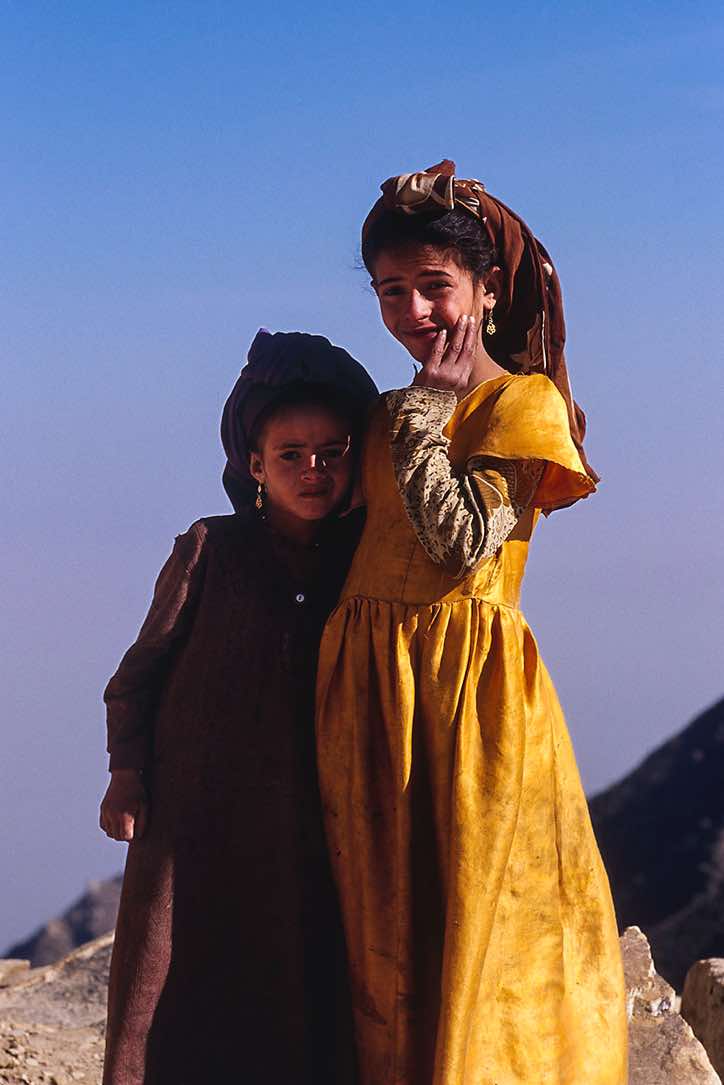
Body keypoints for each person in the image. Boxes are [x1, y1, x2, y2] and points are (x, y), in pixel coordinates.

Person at [315, 161, 628, 1084]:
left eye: (433, 285)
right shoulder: (385, 415)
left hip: (466, 700)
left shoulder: (521, 404)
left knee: (475, 919)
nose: (413, 310)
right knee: (380, 926)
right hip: (368, 693)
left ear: (488, 289)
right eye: (390, 291)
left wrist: (427, 414)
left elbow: (458, 543)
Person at [99, 329, 378, 1085]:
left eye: (331, 453)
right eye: (291, 454)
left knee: (296, 997)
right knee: (177, 991)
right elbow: (137, 675)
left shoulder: (365, 563)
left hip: (309, 827)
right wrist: (126, 774)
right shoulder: (209, 549)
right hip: (194, 825)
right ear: (254, 465)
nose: (313, 470)